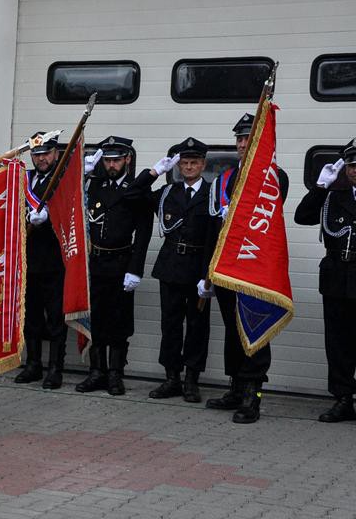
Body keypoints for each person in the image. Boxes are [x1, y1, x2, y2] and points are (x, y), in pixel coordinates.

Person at [205, 114, 289, 424]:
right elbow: (213, 228)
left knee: (255, 327)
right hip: (228, 269)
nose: (242, 144)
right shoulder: (225, 179)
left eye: (248, 138)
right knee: (232, 330)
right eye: (239, 139)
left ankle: (253, 395)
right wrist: (209, 272)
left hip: (256, 269)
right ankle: (236, 387)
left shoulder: (275, 177)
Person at [126, 138, 216, 403]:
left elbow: (216, 235)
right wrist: (154, 172)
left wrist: (209, 274)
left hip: (200, 267)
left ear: (203, 164)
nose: (189, 167)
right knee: (171, 324)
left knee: (198, 326)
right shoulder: (167, 193)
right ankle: (172, 378)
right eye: (184, 163)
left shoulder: (213, 193)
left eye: (194, 162)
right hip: (171, 267)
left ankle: (191, 380)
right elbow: (131, 195)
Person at [75, 136, 153, 396]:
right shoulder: (93, 185)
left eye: (116, 160)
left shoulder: (136, 188)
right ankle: (96, 371)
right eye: (107, 160)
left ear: (127, 160)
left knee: (118, 322)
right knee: (95, 318)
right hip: (95, 263)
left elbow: (143, 233)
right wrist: (82, 175)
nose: (111, 165)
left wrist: (136, 269)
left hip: (121, 263)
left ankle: (115, 374)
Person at [295, 138, 356, 423]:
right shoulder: (334, 196)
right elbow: (302, 216)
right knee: (338, 342)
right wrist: (320, 187)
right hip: (336, 277)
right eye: (352, 165)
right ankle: (343, 399)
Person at [15, 133, 67, 389]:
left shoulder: (63, 179)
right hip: (28, 259)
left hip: (55, 260)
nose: (41, 158)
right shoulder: (25, 179)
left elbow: (71, 213)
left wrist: (50, 217)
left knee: (56, 317)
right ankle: (33, 364)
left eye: (46, 153)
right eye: (36, 154)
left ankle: (55, 368)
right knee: (31, 315)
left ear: (56, 154)